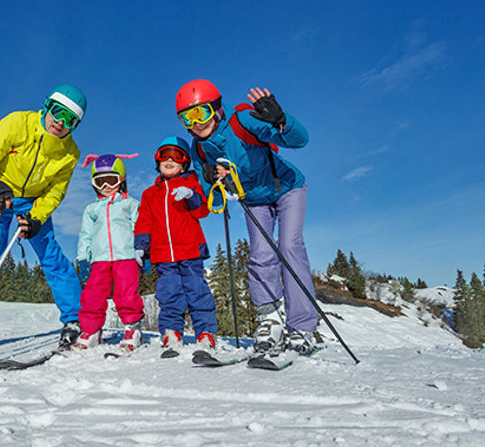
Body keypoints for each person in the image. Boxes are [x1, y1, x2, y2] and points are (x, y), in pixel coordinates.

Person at [175, 78, 317, 360]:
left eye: (200, 113)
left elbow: (300, 140)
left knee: (289, 248)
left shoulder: (242, 121)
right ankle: (271, 323)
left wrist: (281, 121)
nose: (195, 123)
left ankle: (302, 329)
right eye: (186, 118)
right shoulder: (200, 148)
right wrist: (210, 180)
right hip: (253, 200)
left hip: (287, 188)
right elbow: (211, 196)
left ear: (215, 109)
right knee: (261, 255)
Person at [0, 85, 86, 353]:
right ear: (47, 106)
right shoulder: (17, 123)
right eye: (58, 113)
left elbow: (55, 193)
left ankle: (76, 320)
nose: (61, 123)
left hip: (33, 202)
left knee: (51, 255)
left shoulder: (70, 153)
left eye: (71, 120)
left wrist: (36, 218)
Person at [134, 136, 217, 353]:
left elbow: (202, 211)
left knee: (197, 291)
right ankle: (172, 332)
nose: (169, 160)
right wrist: (141, 245)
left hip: (190, 250)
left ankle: (205, 333)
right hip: (163, 255)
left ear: (184, 164)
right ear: (158, 161)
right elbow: (144, 221)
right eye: (165, 155)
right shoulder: (150, 194)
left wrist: (191, 196)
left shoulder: (192, 184)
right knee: (169, 293)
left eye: (176, 156)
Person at [71, 154, 145, 351]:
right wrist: (83, 258)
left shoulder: (130, 204)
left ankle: (132, 329)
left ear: (121, 179)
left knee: (126, 294)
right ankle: (91, 331)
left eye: (110, 180)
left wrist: (144, 251)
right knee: (92, 295)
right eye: (100, 181)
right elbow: (85, 234)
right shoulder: (91, 209)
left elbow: (139, 228)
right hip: (100, 259)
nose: (105, 186)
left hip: (126, 257)